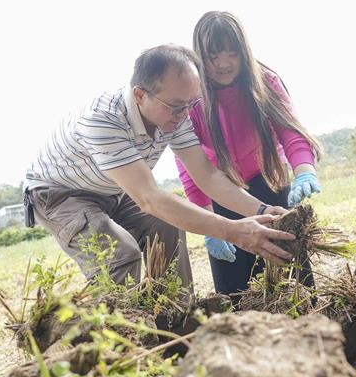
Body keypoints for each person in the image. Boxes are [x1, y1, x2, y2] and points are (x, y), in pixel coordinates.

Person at [24, 44, 295, 290]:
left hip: (113, 190)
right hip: (60, 194)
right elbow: (149, 198)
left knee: (168, 229)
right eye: (177, 106)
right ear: (140, 95)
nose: (185, 115)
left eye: (191, 104)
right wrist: (233, 231)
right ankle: (124, 336)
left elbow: (208, 176)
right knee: (120, 254)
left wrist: (262, 210)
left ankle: (178, 322)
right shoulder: (102, 119)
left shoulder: (174, 115)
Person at [176, 11, 322, 296]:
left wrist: (304, 170)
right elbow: (190, 166)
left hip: (270, 184)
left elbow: (290, 131)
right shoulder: (191, 98)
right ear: (200, 57)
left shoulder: (265, 81)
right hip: (221, 194)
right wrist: (207, 220)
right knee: (235, 290)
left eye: (232, 54)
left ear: (244, 51)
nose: (224, 64)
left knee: (291, 276)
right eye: (214, 56)